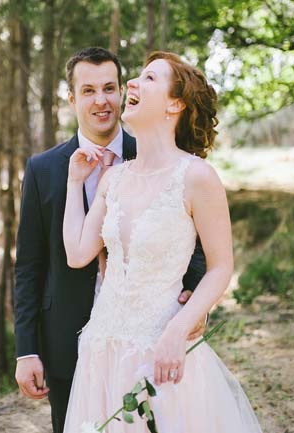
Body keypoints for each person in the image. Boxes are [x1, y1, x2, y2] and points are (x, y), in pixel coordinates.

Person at [62, 51, 263, 432]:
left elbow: (221, 267)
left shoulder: (197, 177)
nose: (132, 85)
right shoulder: (113, 179)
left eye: (149, 79)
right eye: (135, 78)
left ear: (176, 103)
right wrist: (75, 182)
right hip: (101, 351)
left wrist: (178, 329)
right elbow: (77, 254)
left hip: (160, 351)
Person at [13, 47, 207, 433]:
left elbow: (197, 245)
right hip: (68, 342)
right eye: (88, 91)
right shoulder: (43, 168)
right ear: (72, 99)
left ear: (121, 91)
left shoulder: (161, 155)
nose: (101, 101)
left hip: (151, 337)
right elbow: (29, 266)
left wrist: (194, 304)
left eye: (109, 88)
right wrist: (26, 350)